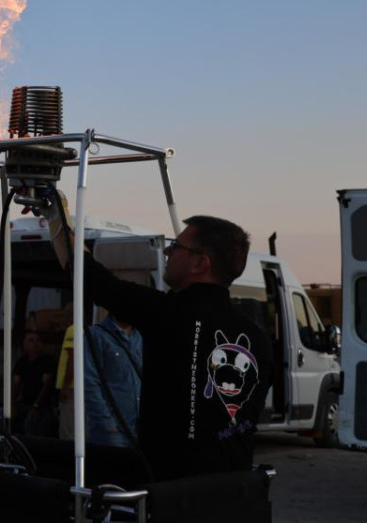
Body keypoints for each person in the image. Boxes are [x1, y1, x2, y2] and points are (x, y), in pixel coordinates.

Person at [43, 203, 273, 479]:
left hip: (173, 492)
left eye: (176, 246)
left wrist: (55, 214)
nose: (167, 251)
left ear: (201, 263)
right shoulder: (257, 338)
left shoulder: (168, 314)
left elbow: (92, 278)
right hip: (235, 492)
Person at [84, 313, 143, 447]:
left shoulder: (140, 336)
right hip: (113, 432)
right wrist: (107, 423)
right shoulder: (96, 335)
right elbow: (90, 382)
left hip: (137, 428)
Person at [12, 331, 55, 435]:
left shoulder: (47, 360)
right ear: (25, 345)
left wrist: (36, 406)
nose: (35, 343)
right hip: (24, 402)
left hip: (43, 405)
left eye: (38, 340)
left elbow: (46, 385)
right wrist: (12, 404)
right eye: (31, 341)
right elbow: (15, 384)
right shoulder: (22, 361)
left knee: (31, 423)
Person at [55, 323, 75, 440]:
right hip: (80, 387)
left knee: (67, 432)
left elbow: (73, 358)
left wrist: (66, 386)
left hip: (72, 388)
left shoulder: (73, 329)